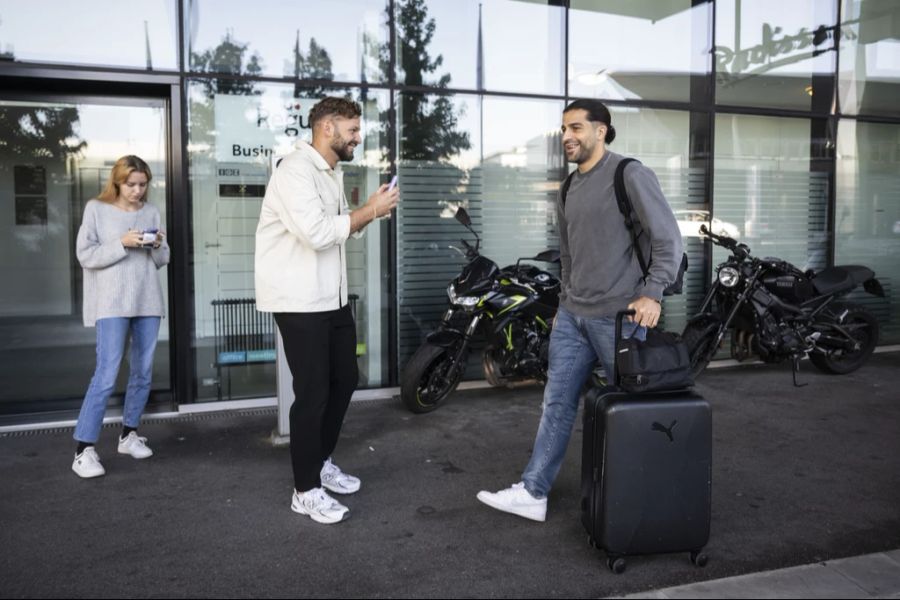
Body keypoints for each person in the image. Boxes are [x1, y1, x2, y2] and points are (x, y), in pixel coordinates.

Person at [476, 99, 684, 521]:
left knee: (632, 409)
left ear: (601, 131)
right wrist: (564, 299)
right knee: (556, 403)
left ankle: (648, 497)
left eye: (575, 128)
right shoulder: (569, 187)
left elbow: (668, 239)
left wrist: (653, 293)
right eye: (563, 129)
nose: (567, 137)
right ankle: (534, 492)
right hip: (572, 317)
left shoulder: (629, 174)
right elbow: (568, 254)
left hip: (619, 318)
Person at [255, 97, 399, 525]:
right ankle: (305, 489)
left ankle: (320, 462)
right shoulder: (294, 171)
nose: (359, 137)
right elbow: (318, 234)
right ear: (328, 128)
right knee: (314, 392)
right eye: (353, 130)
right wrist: (370, 210)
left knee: (345, 379)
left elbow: (339, 231)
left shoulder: (330, 173)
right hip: (299, 299)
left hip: (331, 297)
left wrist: (367, 212)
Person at [71, 155, 170, 479]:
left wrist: (156, 243)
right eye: (131, 185)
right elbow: (85, 256)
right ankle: (83, 450)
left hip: (147, 302)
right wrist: (122, 243)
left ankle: (128, 435)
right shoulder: (96, 209)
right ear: (117, 182)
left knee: (142, 372)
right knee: (106, 374)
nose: (138, 191)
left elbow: (161, 258)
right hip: (111, 304)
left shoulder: (151, 211)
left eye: (143, 185)